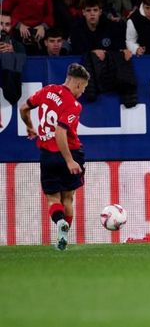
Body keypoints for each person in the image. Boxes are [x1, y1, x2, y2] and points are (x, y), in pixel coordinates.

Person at [18, 62, 90, 250]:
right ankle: (63, 237)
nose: (82, 92)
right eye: (83, 88)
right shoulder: (74, 105)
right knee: (68, 198)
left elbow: (23, 108)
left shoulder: (47, 90)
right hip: (70, 152)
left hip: (47, 155)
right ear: (77, 84)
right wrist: (69, 160)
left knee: (52, 199)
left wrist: (29, 126)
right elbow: (60, 132)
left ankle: (59, 223)